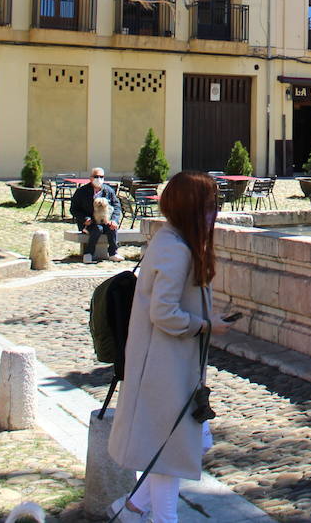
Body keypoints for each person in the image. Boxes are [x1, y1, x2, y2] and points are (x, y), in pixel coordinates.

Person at [108, 171, 233, 523]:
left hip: (169, 365)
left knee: (187, 442)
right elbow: (164, 314)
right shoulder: (176, 250)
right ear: (193, 209)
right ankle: (153, 516)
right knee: (166, 453)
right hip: (164, 368)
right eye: (210, 206)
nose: (215, 214)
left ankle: (130, 508)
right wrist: (207, 326)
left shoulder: (172, 241)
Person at [71, 167, 123, 263]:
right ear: (90, 178)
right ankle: (88, 253)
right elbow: (74, 209)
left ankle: (113, 253)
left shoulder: (108, 191)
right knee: (98, 229)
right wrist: (84, 218)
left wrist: (114, 220)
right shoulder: (81, 192)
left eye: (101, 176)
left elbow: (116, 206)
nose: (98, 179)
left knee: (112, 228)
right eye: (96, 176)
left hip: (106, 220)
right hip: (89, 224)